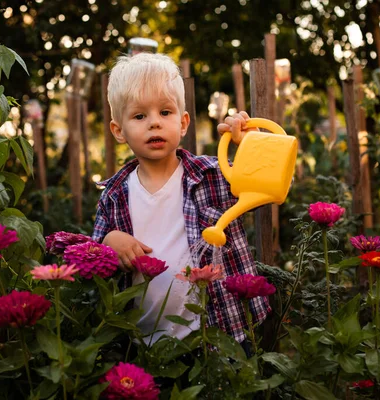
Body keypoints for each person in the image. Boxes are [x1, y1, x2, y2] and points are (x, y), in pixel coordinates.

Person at [92, 52, 270, 347]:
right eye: (139, 116)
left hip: (219, 332)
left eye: (165, 112)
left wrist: (250, 144)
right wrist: (110, 240)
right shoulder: (114, 194)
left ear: (184, 122)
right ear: (118, 130)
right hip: (144, 343)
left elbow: (271, 185)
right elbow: (93, 253)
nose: (154, 124)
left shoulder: (213, 174)